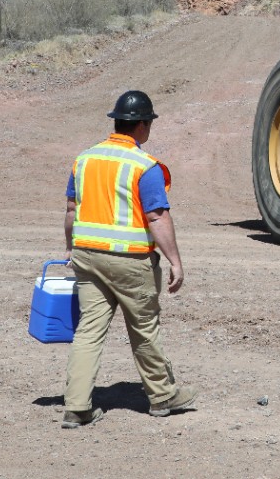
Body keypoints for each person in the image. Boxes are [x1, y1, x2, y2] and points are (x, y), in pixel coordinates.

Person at [60, 90, 197, 428]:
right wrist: (175, 261)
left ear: (117, 122)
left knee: (89, 331)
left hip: (87, 256)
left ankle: (76, 407)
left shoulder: (84, 159)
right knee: (144, 328)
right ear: (142, 125)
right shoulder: (144, 166)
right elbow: (156, 216)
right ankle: (162, 396)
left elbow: (71, 210)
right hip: (130, 261)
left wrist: (69, 247)